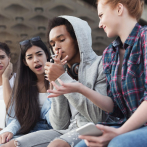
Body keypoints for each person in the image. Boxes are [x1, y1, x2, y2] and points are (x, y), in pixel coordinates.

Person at [3, 15, 117, 147]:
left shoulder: (100, 64)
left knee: (56, 145)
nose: (56, 47)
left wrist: (63, 77)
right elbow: (59, 124)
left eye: (61, 40)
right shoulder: (62, 71)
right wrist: (57, 81)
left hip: (95, 127)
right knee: (12, 145)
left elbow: (98, 117)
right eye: (52, 44)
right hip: (66, 130)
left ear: (78, 39)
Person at [47, 0, 147, 147]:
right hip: (124, 124)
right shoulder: (109, 54)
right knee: (82, 145)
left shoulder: (144, 38)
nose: (100, 24)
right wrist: (79, 88)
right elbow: (112, 106)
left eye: (101, 15)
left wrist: (120, 132)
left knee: (118, 143)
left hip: (136, 126)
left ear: (119, 9)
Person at [0, 36, 52, 146]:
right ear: (25, 62)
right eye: (30, 57)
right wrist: (9, 130)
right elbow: (20, 116)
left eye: (39, 54)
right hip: (27, 130)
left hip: (51, 131)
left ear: (46, 55)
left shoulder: (58, 81)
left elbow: (59, 122)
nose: (36, 60)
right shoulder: (25, 86)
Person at [0, 42, 14, 130]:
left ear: (9, 58)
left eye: (2, 57)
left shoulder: (19, 80)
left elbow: (11, 109)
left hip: (13, 132)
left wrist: (5, 78)